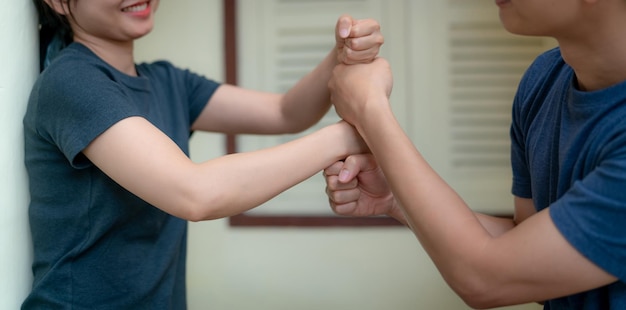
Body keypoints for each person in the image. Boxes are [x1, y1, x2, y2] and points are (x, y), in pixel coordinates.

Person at [23, 0, 383, 308]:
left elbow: (286, 112)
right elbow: (195, 193)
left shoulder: (168, 81)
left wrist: (341, 56)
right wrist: (350, 134)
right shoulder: (71, 81)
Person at [323, 0, 626, 309]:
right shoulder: (544, 80)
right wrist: (394, 198)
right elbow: (525, 251)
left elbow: (488, 279)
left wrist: (370, 109)